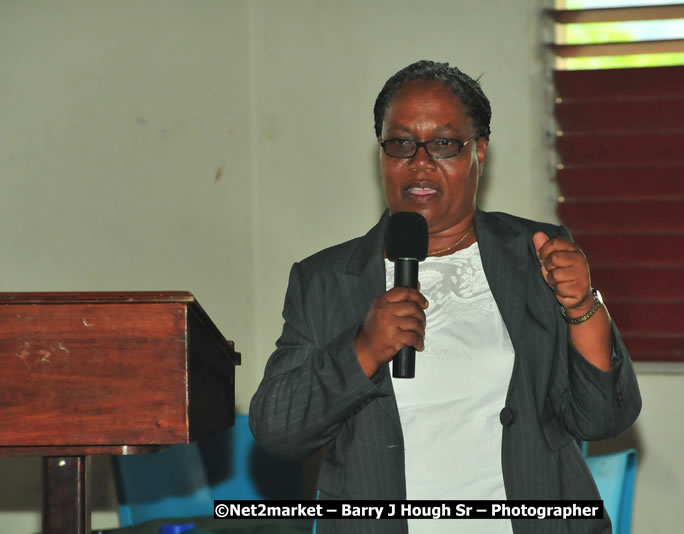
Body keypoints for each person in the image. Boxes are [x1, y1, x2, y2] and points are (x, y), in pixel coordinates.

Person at [249, 60, 641, 534]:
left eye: (443, 144)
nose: (419, 162)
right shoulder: (328, 279)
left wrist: (582, 308)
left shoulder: (536, 254)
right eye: (400, 144)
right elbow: (278, 431)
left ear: (480, 151)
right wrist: (363, 349)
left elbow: (603, 418)